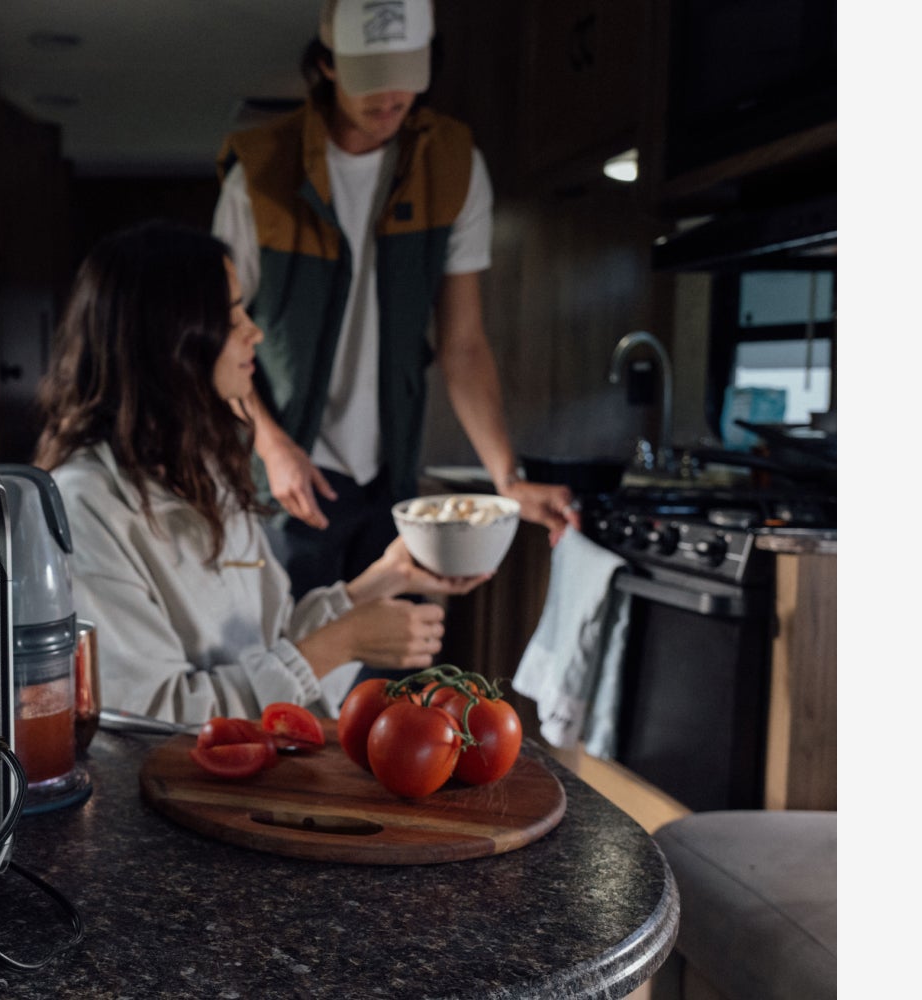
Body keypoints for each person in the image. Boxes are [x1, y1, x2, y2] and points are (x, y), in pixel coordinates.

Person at [36, 222, 489, 724]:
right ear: (173, 340)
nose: (255, 331)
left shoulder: (207, 468)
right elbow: (147, 715)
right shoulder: (83, 505)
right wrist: (341, 645)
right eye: (232, 317)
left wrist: (384, 579)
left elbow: (274, 644)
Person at [213, 0, 579, 598]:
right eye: (370, 82)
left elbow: (463, 345)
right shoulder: (258, 176)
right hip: (287, 477)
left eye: (405, 79)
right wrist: (271, 445)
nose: (389, 99)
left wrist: (506, 479)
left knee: (382, 669)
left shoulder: (454, 166)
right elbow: (218, 332)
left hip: (391, 482)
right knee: (288, 661)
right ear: (327, 66)